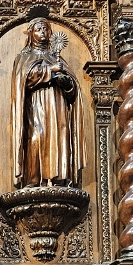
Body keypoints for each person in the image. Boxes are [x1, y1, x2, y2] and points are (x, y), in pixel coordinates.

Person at [11, 14, 79, 188]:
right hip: (36, 104)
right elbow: (25, 79)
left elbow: (72, 90)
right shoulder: (24, 57)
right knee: (36, 137)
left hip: (57, 105)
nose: (42, 32)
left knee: (59, 138)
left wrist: (67, 83)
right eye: (38, 29)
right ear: (31, 34)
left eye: (45, 29)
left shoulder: (57, 58)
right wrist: (50, 70)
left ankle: (59, 179)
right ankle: (33, 179)